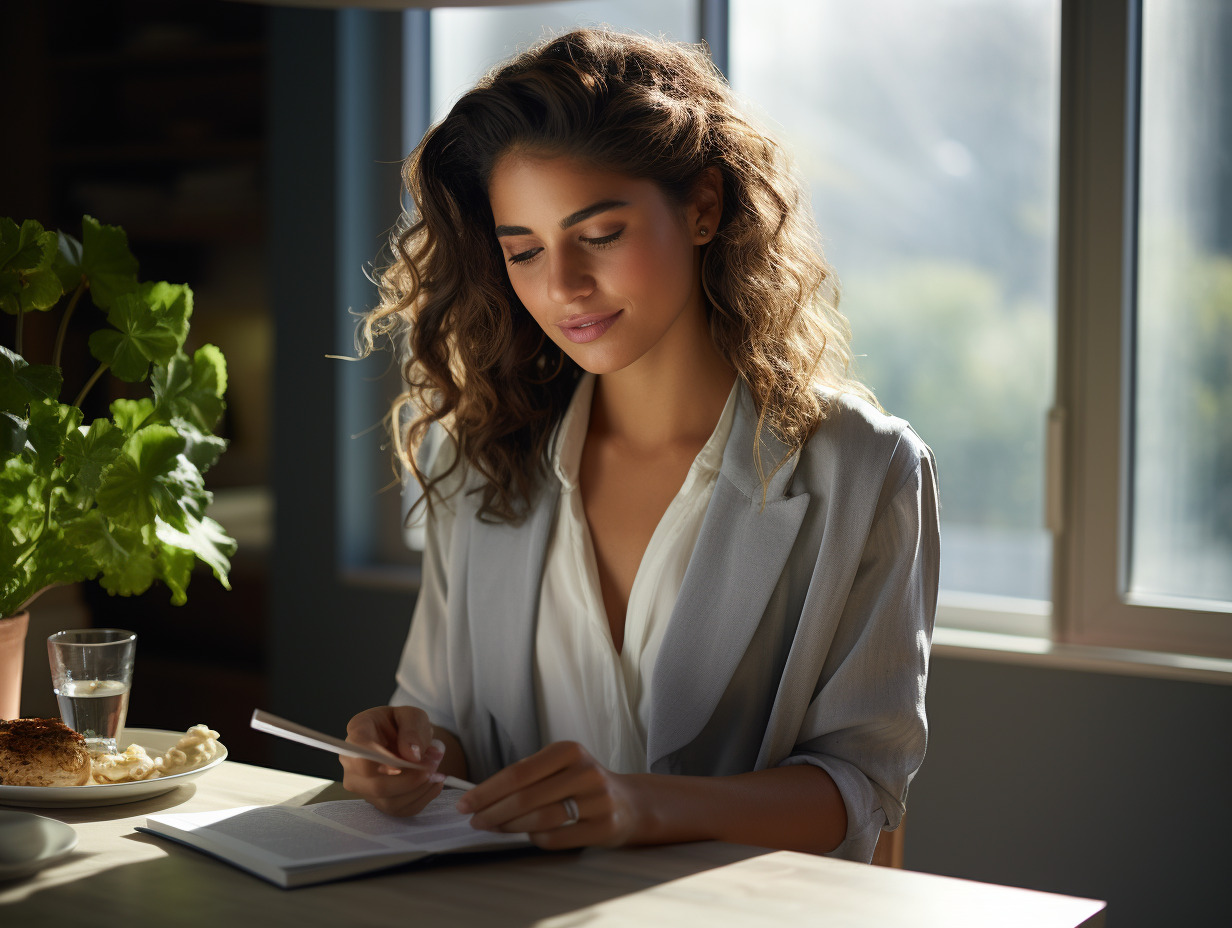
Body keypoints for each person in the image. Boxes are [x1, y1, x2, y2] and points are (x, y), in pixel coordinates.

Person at [342, 28, 940, 863]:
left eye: (601, 234)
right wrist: (407, 754)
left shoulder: (867, 469)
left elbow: (858, 788)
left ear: (702, 207)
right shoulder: (476, 457)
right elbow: (443, 720)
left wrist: (636, 806)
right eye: (524, 250)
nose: (562, 287)